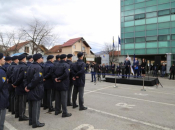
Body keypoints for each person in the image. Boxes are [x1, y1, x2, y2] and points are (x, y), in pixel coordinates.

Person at [25, 53, 45, 128]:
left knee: (31, 106)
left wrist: (26, 87)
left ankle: (31, 121)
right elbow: (36, 80)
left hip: (30, 89)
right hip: (36, 89)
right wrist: (29, 87)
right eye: (41, 58)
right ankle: (35, 123)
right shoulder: (38, 67)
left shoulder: (30, 66)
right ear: (39, 59)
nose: (42, 59)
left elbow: (26, 78)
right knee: (36, 107)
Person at [12, 54, 29, 121]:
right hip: (21, 86)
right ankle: (21, 115)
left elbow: (13, 76)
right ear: (23, 59)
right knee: (22, 101)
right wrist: (15, 84)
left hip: (16, 86)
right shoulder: (24, 67)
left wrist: (14, 84)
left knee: (17, 100)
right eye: (25, 58)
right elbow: (21, 77)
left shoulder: (16, 66)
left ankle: (17, 114)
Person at [0, 53, 9, 130]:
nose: (4, 60)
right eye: (3, 59)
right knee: (1, 119)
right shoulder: (1, 72)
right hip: (1, 98)